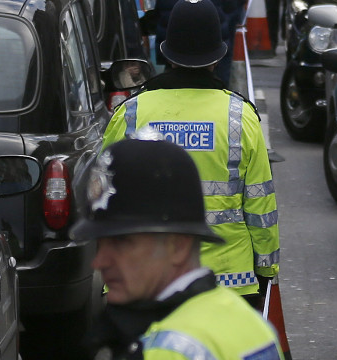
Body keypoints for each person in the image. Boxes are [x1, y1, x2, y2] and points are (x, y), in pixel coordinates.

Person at [101, 0, 281, 308]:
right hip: (228, 284)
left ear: (167, 53)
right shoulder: (239, 116)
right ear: (216, 58)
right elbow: (260, 205)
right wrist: (266, 268)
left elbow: (104, 202)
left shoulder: (131, 113)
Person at [74, 138, 282, 360]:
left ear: (178, 246)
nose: (99, 262)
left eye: (121, 242)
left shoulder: (164, 350)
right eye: (100, 242)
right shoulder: (252, 324)